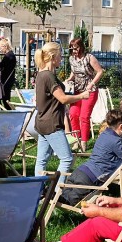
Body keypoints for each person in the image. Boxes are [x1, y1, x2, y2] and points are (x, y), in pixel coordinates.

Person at [33, 42, 91, 180]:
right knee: (67, 159)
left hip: (41, 122)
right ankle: (58, 190)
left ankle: (38, 189)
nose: (61, 58)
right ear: (53, 57)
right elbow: (63, 99)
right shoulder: (48, 76)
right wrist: (82, 96)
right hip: (52, 124)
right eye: (60, 55)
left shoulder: (41, 74)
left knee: (41, 160)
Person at [59, 109, 122, 205]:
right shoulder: (116, 142)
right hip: (91, 177)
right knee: (70, 202)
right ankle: (49, 195)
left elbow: (113, 143)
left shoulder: (105, 134)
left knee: (64, 195)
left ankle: (48, 193)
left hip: (80, 170)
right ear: (121, 127)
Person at [65, 38, 104, 152]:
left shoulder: (89, 58)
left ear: (81, 47)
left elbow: (100, 71)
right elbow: (74, 71)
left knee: (84, 116)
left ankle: (84, 142)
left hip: (89, 91)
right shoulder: (72, 59)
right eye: (72, 48)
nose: (74, 51)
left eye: (76, 48)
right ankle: (76, 140)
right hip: (77, 91)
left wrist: (91, 83)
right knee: (73, 114)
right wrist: (69, 79)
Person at [0, 38, 17, 109]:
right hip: (9, 78)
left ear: (5, 47)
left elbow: (0, 66)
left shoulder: (8, 56)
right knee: (6, 97)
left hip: (6, 79)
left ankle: (9, 111)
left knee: (5, 98)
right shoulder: (11, 55)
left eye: (0, 47)